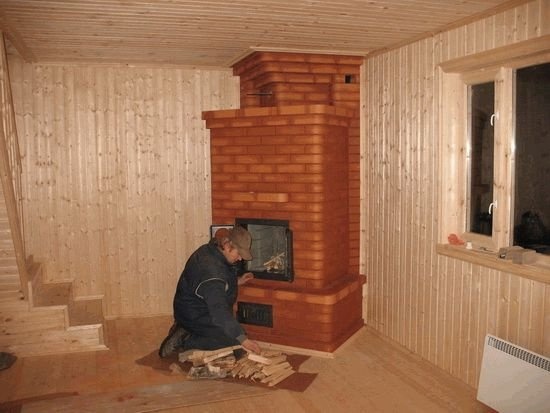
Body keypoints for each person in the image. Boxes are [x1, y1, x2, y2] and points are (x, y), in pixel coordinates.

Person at [158, 225, 261, 358]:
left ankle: (187, 329)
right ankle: (184, 339)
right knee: (234, 342)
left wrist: (237, 281)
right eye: (239, 253)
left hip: (198, 307)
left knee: (235, 334)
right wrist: (243, 340)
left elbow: (216, 282)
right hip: (194, 314)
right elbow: (219, 311)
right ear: (227, 245)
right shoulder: (211, 272)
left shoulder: (212, 250)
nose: (240, 258)